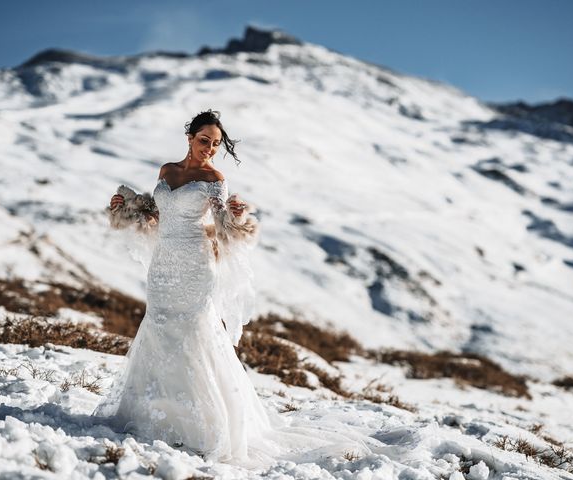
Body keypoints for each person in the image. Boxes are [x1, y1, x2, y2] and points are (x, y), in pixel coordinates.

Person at [92, 110, 376, 469]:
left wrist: (238, 216)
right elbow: (158, 216)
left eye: (215, 143)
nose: (209, 149)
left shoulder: (214, 179)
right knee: (160, 327)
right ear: (189, 137)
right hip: (163, 264)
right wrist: (126, 208)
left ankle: (203, 425)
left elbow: (225, 225)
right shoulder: (166, 171)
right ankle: (154, 412)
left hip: (196, 265)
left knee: (194, 331)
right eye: (203, 141)